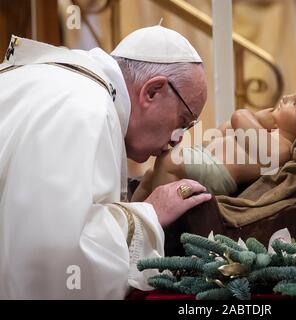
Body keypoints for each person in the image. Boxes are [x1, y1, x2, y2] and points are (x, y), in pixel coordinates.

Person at [0, 26, 212, 299]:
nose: (177, 141)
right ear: (152, 91)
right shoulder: (88, 109)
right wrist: (149, 214)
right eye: (183, 123)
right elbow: (56, 259)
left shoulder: (49, 80)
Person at [131, 79, 296, 201]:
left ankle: (158, 222)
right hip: (205, 160)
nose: (285, 98)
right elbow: (227, 128)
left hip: (217, 176)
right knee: (150, 174)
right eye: (291, 95)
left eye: (294, 103)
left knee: (168, 161)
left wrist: (252, 117)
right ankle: (134, 214)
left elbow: (238, 118)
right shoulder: (269, 133)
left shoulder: (282, 148)